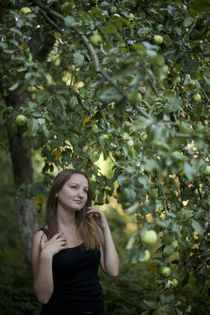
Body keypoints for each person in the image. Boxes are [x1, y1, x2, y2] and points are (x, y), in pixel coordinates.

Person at [31, 169, 119, 315]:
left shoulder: (91, 230)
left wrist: (104, 227)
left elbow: (113, 270)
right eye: (74, 187)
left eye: (85, 190)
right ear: (56, 192)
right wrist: (46, 255)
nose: (81, 195)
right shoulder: (42, 237)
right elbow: (43, 297)